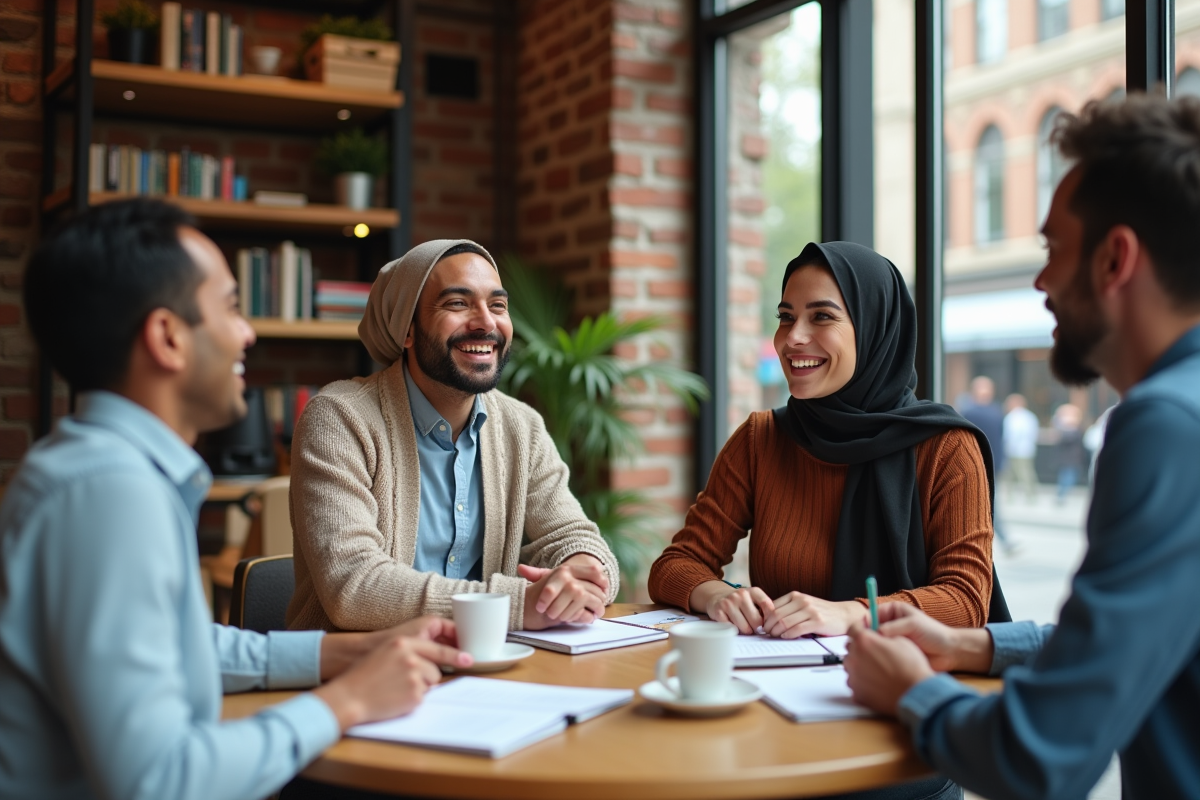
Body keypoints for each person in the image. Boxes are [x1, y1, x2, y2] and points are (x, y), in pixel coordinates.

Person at [0, 198, 472, 800]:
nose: (247, 332)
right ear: (167, 338)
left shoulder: (101, 470)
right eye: (229, 307)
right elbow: (159, 781)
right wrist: (347, 701)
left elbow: (182, 647)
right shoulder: (108, 494)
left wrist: (341, 654)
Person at [843, 93, 1200, 799]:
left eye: (1053, 249)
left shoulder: (1165, 427)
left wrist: (913, 693)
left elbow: (1043, 756)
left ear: (1115, 259)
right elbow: (1141, 641)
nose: (1040, 280)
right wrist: (974, 644)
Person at [287, 239, 619, 634]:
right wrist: (515, 605)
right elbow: (353, 587)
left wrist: (585, 570)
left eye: (497, 305)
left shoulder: (522, 426)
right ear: (406, 330)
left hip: (484, 669)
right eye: (458, 304)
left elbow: (575, 536)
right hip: (356, 675)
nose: (486, 323)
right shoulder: (339, 419)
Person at [960, 376, 1015, 552]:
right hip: (975, 463)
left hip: (992, 463)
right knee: (982, 503)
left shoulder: (995, 412)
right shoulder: (970, 412)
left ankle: (996, 540)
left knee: (989, 503)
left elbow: (1001, 440)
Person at [1001, 393, 1039, 502]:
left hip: (1016, 450)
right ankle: (1025, 495)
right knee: (1014, 473)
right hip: (1025, 450)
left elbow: (1011, 435)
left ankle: (1027, 495)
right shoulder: (1030, 416)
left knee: (1023, 473)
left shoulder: (1013, 417)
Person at [1051, 402, 1087, 501]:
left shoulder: (1076, 429)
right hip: (1067, 459)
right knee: (1066, 477)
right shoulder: (1065, 431)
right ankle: (1061, 495)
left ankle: (1061, 495)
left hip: (1074, 458)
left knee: (1070, 477)